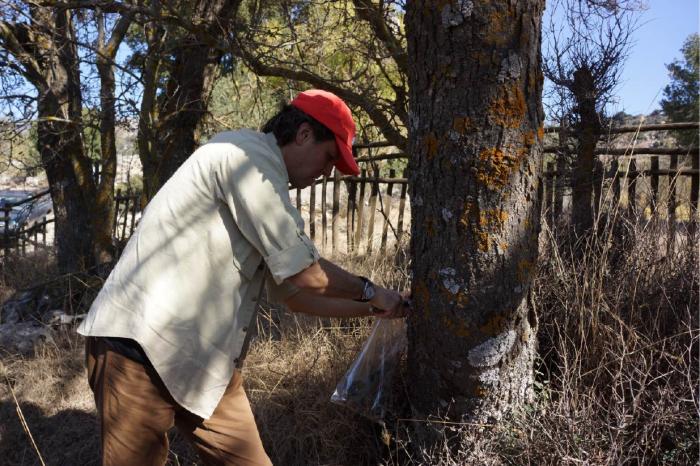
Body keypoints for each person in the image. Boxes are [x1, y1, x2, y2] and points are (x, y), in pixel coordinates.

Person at [77, 89, 409, 466]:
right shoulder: (245, 161)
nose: (327, 172)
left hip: (204, 361)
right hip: (138, 346)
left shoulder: (264, 183)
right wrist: (370, 291)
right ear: (302, 134)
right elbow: (306, 274)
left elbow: (296, 296)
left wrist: (374, 309)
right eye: (329, 157)